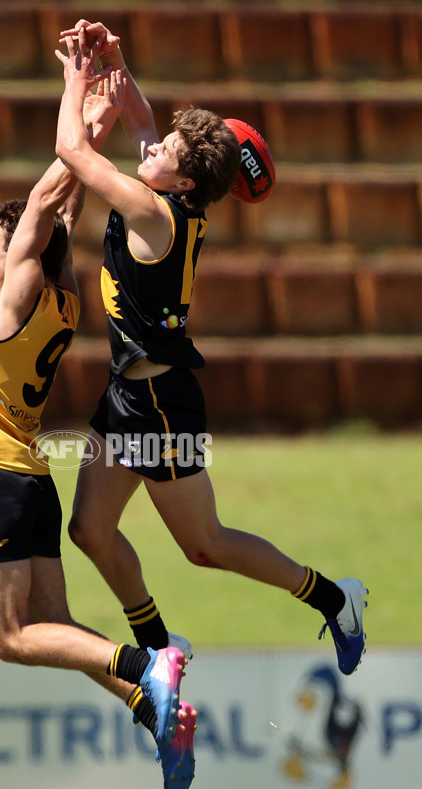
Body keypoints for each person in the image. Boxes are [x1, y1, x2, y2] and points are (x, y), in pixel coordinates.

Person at [55, 22, 368, 678]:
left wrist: (76, 79)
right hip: (127, 394)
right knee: (88, 530)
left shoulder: (153, 209)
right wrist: (116, 59)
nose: (152, 144)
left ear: (186, 182)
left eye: (165, 147)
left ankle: (336, 598)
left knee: (206, 546)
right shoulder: (166, 189)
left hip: (161, 405)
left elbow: (72, 150)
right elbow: (141, 118)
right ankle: (162, 644)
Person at [0, 72, 196, 789]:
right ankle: (151, 708)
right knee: (57, 625)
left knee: (12, 638)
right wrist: (95, 120)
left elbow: (52, 200)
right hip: (32, 480)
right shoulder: (64, 299)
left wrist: (78, 85)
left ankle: (151, 667)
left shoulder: (14, 297)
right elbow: (68, 204)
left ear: (20, 250)